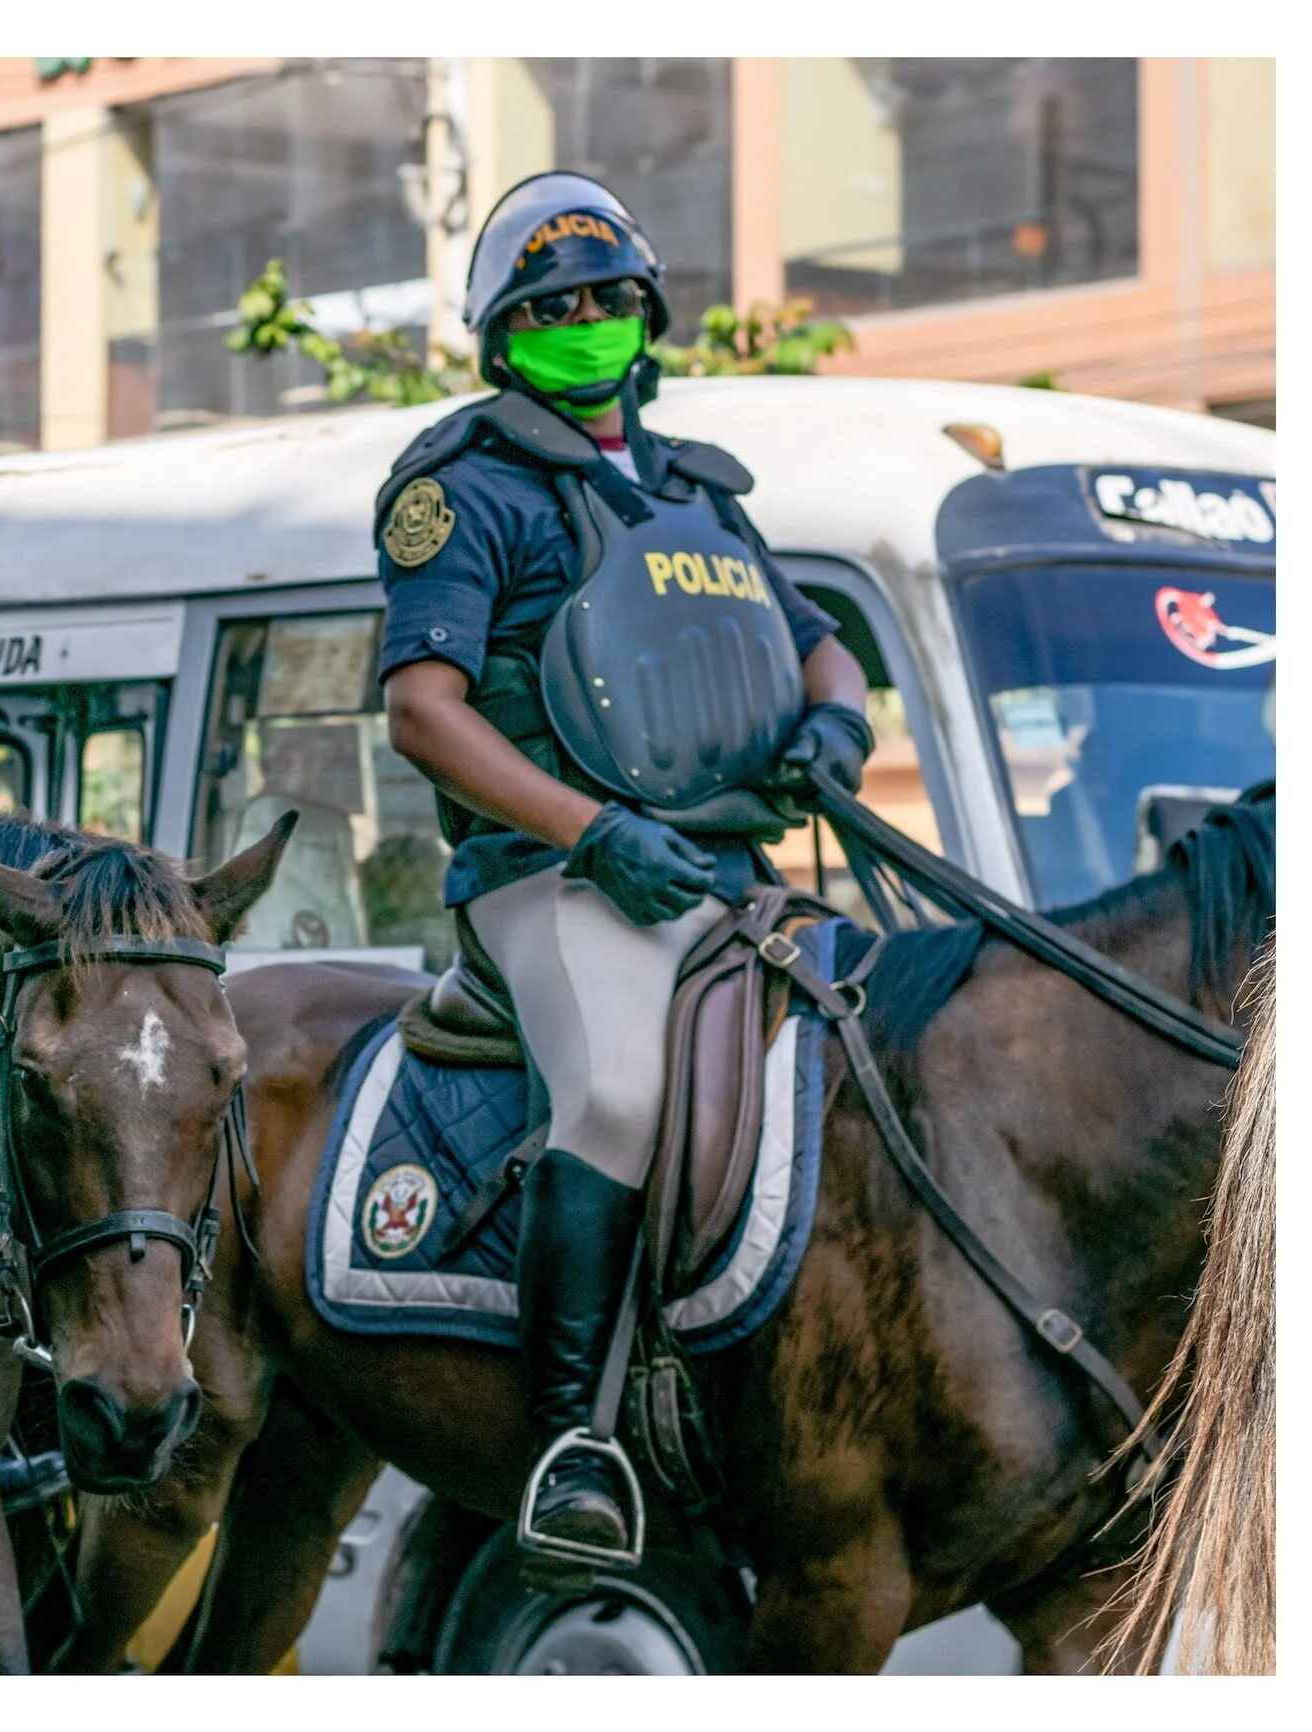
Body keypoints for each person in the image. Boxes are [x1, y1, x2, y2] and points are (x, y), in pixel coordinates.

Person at [375, 174, 872, 1564]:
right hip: (558, 881)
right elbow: (423, 710)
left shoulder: (699, 495)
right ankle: (567, 1442)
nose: (585, 321)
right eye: (551, 308)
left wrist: (836, 717)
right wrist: (586, 831)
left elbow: (819, 636)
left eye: (605, 299)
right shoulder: (460, 492)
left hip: (727, 871)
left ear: (645, 319)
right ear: (506, 335)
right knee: (619, 1092)